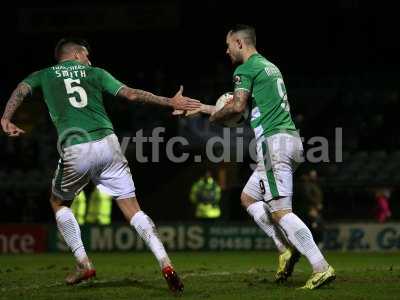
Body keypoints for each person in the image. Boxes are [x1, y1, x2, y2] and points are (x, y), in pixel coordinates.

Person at [1, 37, 201, 293]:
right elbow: (131, 94)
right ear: (74, 55)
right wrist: (170, 102)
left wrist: (6, 118)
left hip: (77, 146)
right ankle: (165, 262)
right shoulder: (96, 73)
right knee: (133, 208)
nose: (89, 60)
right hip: (108, 144)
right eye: (85, 55)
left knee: (58, 202)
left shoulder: (43, 75)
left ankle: (83, 263)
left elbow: (20, 90)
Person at [184, 24, 335, 289]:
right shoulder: (269, 67)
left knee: (280, 212)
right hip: (289, 140)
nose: (227, 50)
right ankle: (285, 249)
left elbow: (237, 107)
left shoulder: (244, 69)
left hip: (274, 145)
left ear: (240, 43)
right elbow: (244, 109)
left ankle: (320, 266)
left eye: (228, 44)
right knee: (248, 197)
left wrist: (216, 118)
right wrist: (203, 108)